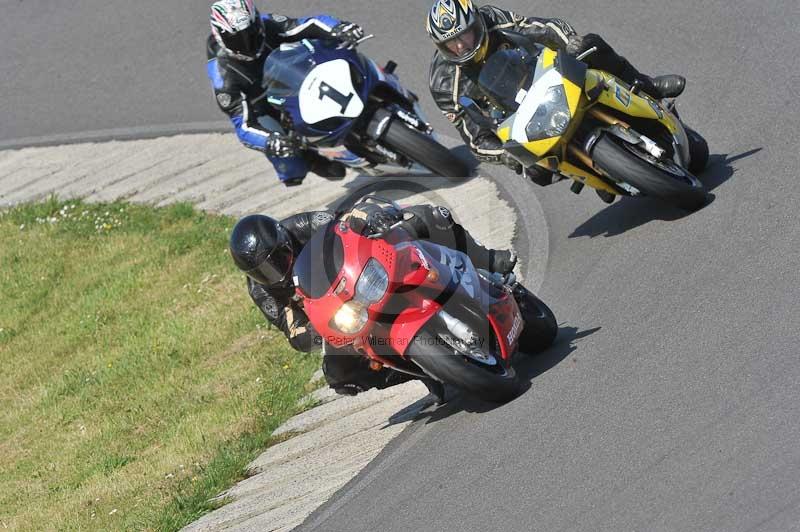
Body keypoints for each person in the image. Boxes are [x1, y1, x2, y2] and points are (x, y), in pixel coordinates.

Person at [228, 203, 517, 400]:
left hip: (364, 272)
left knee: (426, 217)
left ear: (283, 240)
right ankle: (427, 370)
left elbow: (345, 219)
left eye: (277, 259)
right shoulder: (262, 291)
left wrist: (370, 216)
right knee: (339, 374)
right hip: (346, 313)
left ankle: (487, 259)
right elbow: (291, 328)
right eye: (264, 271)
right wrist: (315, 334)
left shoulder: (301, 225)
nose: (276, 271)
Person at [426, 0, 687, 188]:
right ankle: (593, 173)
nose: (461, 45)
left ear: (476, 24)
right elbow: (474, 138)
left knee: (590, 45)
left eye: (466, 35)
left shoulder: (492, 19)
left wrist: (570, 42)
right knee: (538, 174)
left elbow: (541, 28)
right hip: (514, 117)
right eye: (452, 42)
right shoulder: (444, 83)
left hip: (541, 75)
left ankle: (645, 85)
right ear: (441, 46)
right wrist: (505, 156)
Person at [206, 0, 366, 186]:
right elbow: (242, 125)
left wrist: (339, 28)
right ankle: (310, 158)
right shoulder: (221, 74)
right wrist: (270, 141)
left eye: (251, 33)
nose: (248, 43)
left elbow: (308, 24)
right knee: (292, 167)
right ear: (220, 37)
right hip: (265, 103)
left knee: (340, 49)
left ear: (257, 22)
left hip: (297, 77)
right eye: (237, 39)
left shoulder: (269, 23)